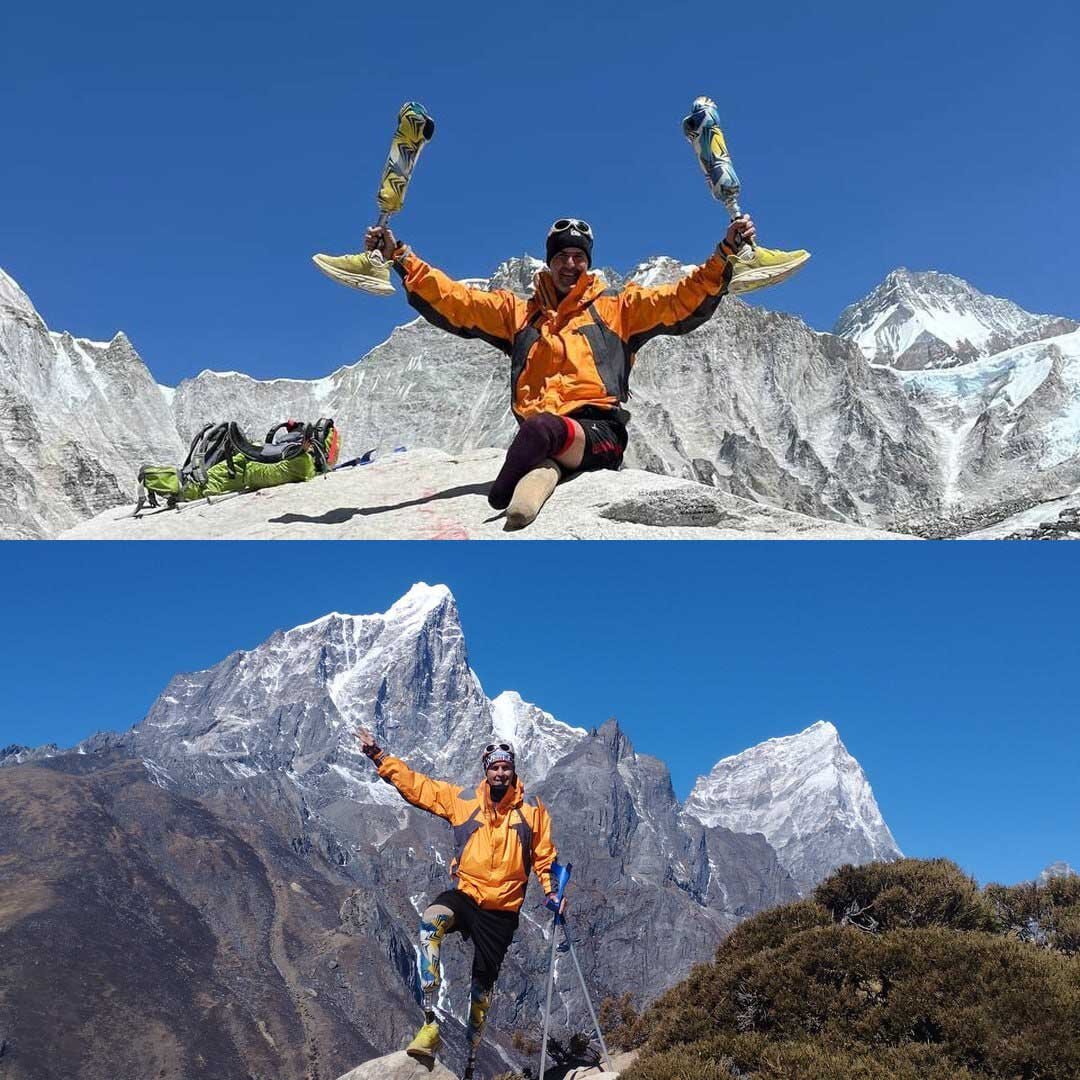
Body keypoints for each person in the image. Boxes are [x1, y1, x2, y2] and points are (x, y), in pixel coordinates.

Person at [319, 214, 757, 528]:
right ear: (550, 262)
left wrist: (724, 254)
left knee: (542, 432)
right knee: (540, 437)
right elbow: (456, 302)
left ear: (589, 262)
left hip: (599, 433)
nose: (571, 264)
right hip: (547, 429)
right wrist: (400, 258)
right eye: (563, 256)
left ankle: (507, 487)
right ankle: (539, 474)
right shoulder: (519, 314)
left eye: (579, 257)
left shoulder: (619, 310)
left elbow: (683, 298)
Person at [355, 727, 561, 1079]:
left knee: (482, 986)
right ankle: (430, 1023)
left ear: (513, 770)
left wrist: (552, 890)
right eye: (494, 767)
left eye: (505, 767)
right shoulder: (462, 800)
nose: (500, 772)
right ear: (485, 770)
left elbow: (544, 857)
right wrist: (379, 756)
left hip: (502, 911)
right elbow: (418, 787)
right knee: (431, 922)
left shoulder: (532, 810)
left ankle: (471, 1055)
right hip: (466, 894)